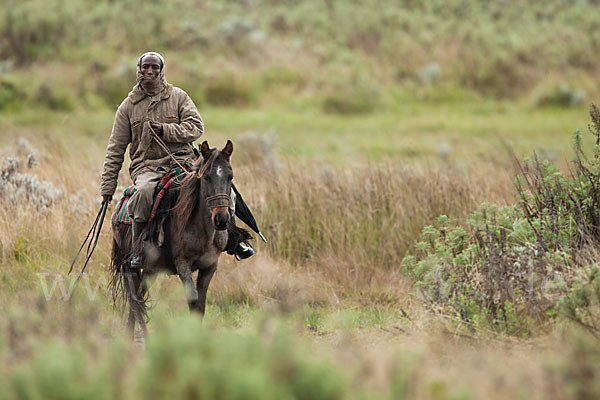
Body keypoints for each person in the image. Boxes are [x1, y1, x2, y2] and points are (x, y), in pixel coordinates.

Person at [100, 52, 253, 267]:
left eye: (155, 67)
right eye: (146, 67)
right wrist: (107, 187)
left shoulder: (178, 96)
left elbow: (196, 127)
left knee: (220, 187)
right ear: (138, 69)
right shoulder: (127, 107)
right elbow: (115, 149)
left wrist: (166, 130)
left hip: (184, 163)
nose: (150, 71)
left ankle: (233, 239)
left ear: (162, 70)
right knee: (143, 192)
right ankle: (138, 250)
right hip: (147, 167)